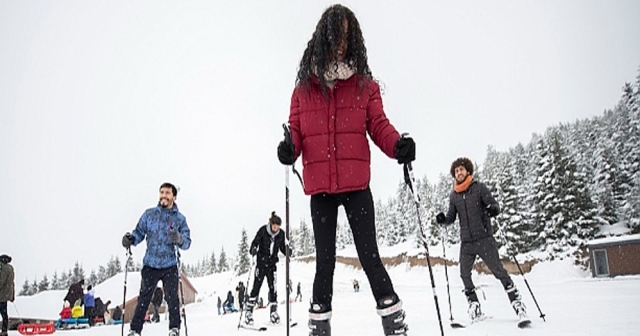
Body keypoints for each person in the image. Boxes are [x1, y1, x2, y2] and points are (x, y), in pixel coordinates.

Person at [277, 4, 414, 336]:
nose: (341, 41)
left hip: (356, 186)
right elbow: (296, 132)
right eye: (335, 34)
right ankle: (319, 326)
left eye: (347, 35)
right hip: (320, 189)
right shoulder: (303, 90)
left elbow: (378, 125)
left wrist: (397, 145)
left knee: (370, 256)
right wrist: (288, 149)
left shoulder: (366, 87)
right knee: (324, 262)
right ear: (323, 36)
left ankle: (393, 322)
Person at [436, 157, 527, 322]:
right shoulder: (454, 196)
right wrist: (444, 220)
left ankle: (517, 303)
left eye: (461, 169)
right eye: (456, 171)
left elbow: (494, 204)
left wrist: (494, 209)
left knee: (499, 271)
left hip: (484, 238)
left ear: (468, 171)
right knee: (464, 274)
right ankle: (474, 306)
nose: (459, 173)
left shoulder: (479, 188)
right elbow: (451, 216)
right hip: (467, 242)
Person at [121, 182, 192, 336]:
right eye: (161, 192)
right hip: (151, 264)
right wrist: (131, 239)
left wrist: (179, 238)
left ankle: (174, 329)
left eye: (167, 193)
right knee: (144, 299)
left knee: (172, 298)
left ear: (174, 196)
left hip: (170, 264)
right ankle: (135, 330)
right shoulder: (149, 215)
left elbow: (187, 242)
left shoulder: (180, 219)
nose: (164, 195)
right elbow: (139, 232)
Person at [244, 212, 289, 326]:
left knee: (273, 288)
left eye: (278, 227)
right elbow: (255, 243)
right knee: (256, 287)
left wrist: (288, 252)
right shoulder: (263, 231)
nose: (276, 229)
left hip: (272, 265)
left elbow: (283, 247)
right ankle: (249, 312)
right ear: (271, 224)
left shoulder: (280, 234)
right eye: (274, 226)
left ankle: (273, 312)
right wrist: (253, 249)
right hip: (261, 264)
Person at [0, 254, 15, 336]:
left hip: (1, 294)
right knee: (4, 313)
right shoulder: (11, 269)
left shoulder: (4, 269)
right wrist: (12, 295)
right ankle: (4, 330)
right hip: (6, 295)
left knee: (3, 313)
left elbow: (1, 281)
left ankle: (4, 331)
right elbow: (12, 283)